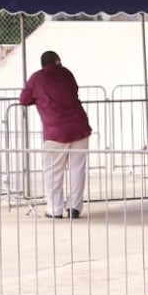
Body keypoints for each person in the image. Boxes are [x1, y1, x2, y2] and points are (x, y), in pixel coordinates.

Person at [19, 50, 92, 219]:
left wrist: (38, 99)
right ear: (58, 61)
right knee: (77, 169)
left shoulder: (37, 78)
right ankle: (74, 208)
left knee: (53, 171)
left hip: (55, 130)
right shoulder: (67, 73)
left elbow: (23, 99)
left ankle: (55, 209)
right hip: (79, 126)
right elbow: (74, 90)